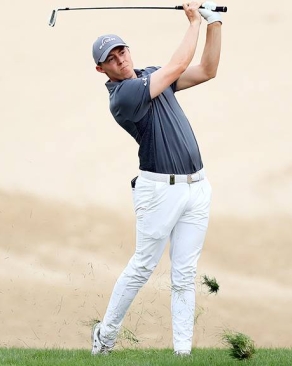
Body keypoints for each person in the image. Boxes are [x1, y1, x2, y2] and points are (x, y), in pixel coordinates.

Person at [90, 1, 222, 357]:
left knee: (184, 273)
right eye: (111, 58)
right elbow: (178, 64)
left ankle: (182, 353)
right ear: (101, 69)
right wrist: (193, 21)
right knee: (143, 266)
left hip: (197, 187)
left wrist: (215, 24)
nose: (120, 59)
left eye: (122, 51)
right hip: (158, 191)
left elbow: (207, 69)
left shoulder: (150, 75)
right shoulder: (124, 96)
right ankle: (104, 338)